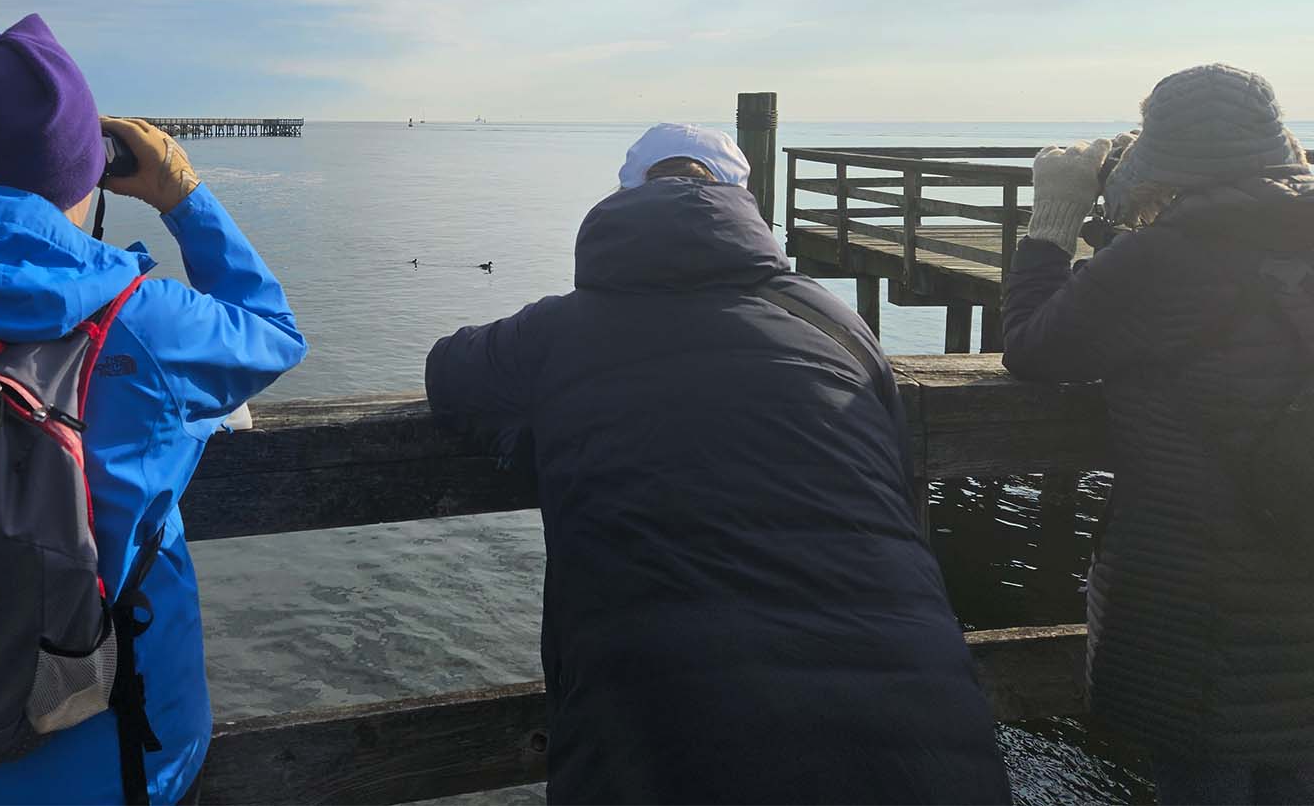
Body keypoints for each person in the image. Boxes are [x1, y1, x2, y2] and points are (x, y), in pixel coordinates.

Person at [425, 124, 1010, 804]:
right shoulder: (836, 324)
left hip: (659, 748)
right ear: (745, 203)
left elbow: (448, 371)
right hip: (926, 740)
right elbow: (897, 480)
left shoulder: (554, 333)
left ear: (626, 198)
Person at [0, 14, 307, 804]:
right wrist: (182, 194)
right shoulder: (144, 320)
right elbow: (274, 332)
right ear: (88, 161)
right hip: (120, 761)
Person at [1003, 64, 1314, 805]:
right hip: (1301, 596)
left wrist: (1054, 221)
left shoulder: (1160, 259)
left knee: (1204, 779)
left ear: (1164, 154)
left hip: (1196, 607)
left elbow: (1036, 348)